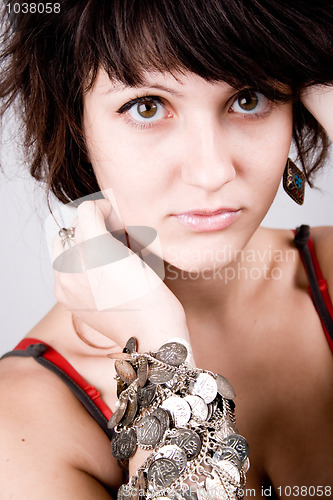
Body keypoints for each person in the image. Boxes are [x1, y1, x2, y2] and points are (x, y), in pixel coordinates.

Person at [0, 1, 332, 498]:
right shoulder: (25, 419)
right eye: (147, 106)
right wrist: (159, 358)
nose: (212, 170)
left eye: (249, 98)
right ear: (77, 121)